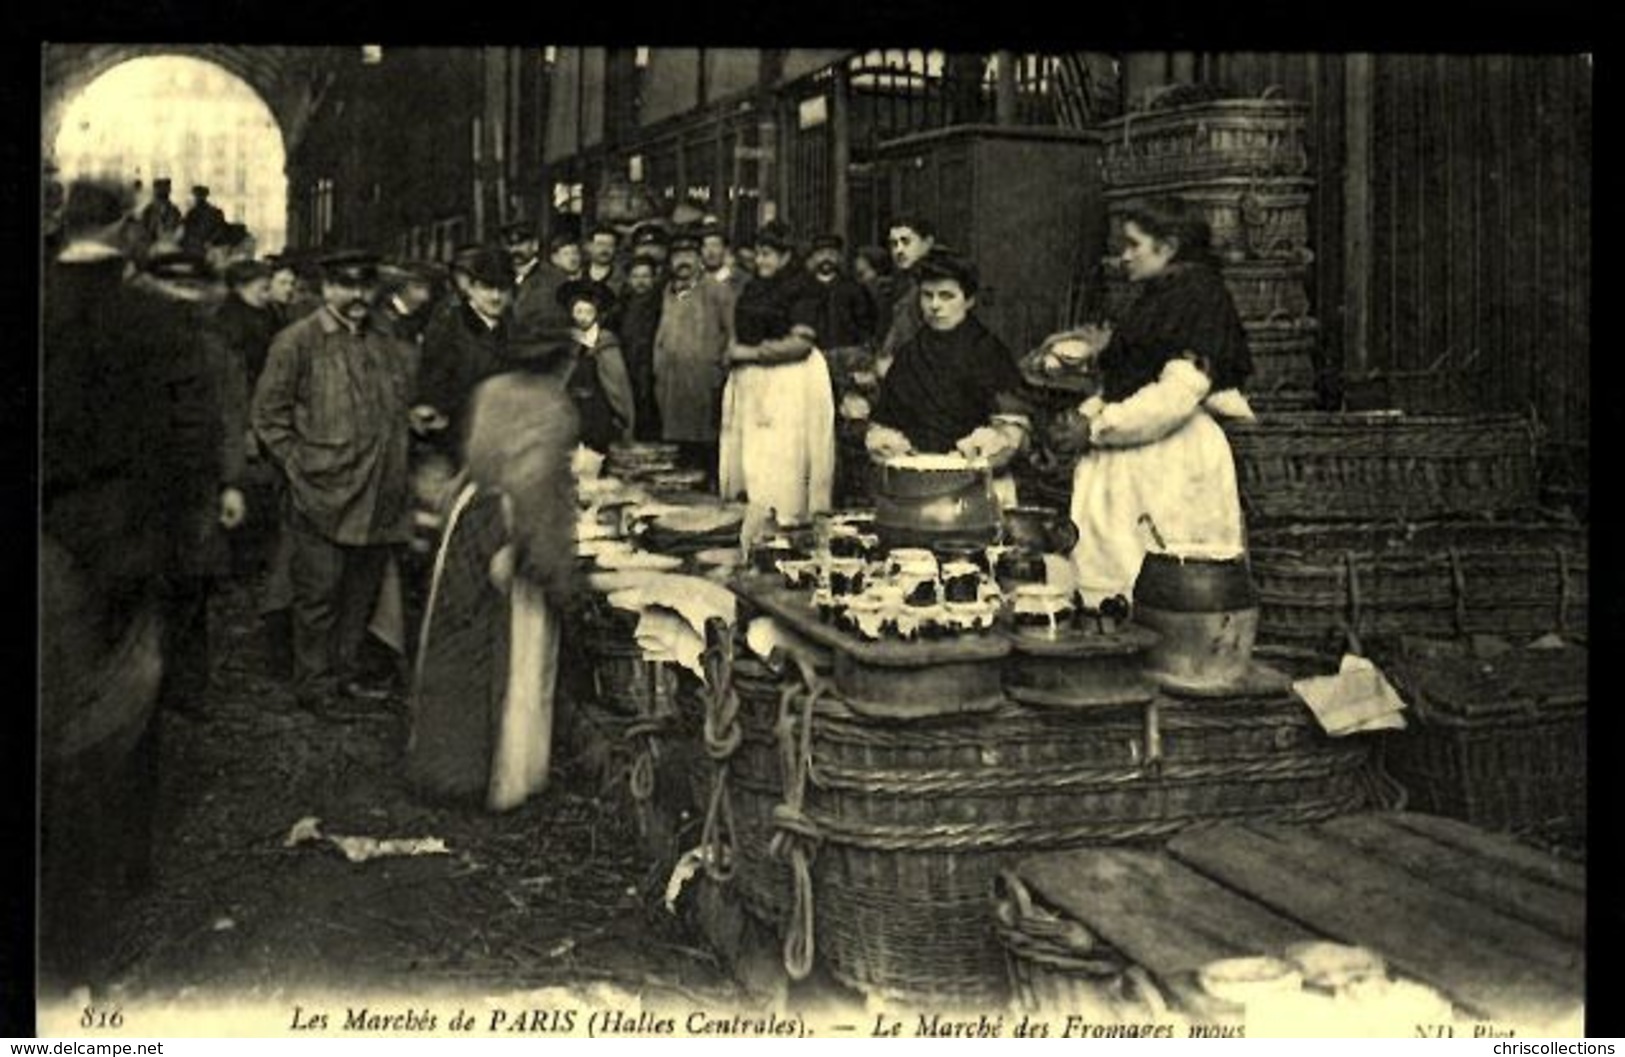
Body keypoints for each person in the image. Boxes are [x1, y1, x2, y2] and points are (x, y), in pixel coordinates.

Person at [40, 179, 222, 984]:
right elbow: (188, 446)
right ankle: (117, 877)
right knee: (118, 718)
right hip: (123, 549)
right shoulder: (157, 319)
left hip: (46, 546)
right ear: (125, 228)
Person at [1043, 197, 1255, 606]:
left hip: (1169, 457)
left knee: (1157, 583)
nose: (1123, 256)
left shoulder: (1198, 298)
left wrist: (1097, 427)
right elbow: (1128, 378)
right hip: (1132, 452)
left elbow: (1177, 395)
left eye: (1133, 245)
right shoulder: (1158, 295)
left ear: (1168, 247)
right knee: (1117, 572)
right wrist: (1086, 415)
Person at [405, 322, 580, 812]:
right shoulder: (552, 407)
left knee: (456, 637)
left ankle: (441, 765)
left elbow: (476, 461)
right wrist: (548, 565)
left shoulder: (490, 392)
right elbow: (537, 492)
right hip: (508, 529)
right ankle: (497, 776)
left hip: (468, 518)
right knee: (506, 647)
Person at [251, 250, 417, 716]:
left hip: (379, 490)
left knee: (359, 594)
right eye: (346, 285)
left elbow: (395, 404)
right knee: (318, 595)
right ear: (327, 289)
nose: (358, 295)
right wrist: (299, 466)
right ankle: (315, 684)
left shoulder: (384, 341)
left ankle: (343, 675)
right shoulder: (297, 341)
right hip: (322, 493)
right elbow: (268, 416)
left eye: (365, 285)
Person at [866, 253, 1033, 504]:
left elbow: (1011, 429)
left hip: (977, 487)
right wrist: (889, 446)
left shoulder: (989, 352)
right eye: (927, 295)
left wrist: (984, 451)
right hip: (915, 485)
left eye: (946, 296)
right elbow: (884, 422)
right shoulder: (909, 354)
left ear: (969, 300)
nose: (935, 305)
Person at [718, 221, 835, 531]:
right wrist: (735, 349)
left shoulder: (802, 287)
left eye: (768, 254)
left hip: (791, 381)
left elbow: (801, 343)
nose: (761, 261)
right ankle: (753, 524)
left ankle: (785, 522)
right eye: (757, 254)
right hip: (754, 379)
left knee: (784, 455)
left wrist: (749, 354)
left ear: (786, 256)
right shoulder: (755, 285)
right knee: (754, 456)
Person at [413, 246, 515, 462]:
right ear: (471, 289)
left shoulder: (511, 327)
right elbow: (434, 391)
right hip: (458, 444)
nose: (496, 297)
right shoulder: (448, 327)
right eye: (487, 287)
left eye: (503, 289)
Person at [652, 230, 735, 479]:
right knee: (678, 453)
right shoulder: (666, 291)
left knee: (706, 448)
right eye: (677, 256)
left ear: (699, 258)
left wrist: (723, 370)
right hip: (671, 383)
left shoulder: (717, 291)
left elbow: (733, 333)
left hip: (704, 382)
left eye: (689, 255)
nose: (683, 262)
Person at [554, 278, 636, 453]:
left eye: (588, 312)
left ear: (597, 314)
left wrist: (623, 415)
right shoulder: (565, 341)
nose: (583, 317)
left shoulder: (606, 342)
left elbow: (617, 385)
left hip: (598, 413)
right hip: (570, 410)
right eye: (578, 311)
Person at [611, 254, 664, 441]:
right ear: (628, 279)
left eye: (645, 276)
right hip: (629, 366)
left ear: (654, 278)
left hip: (655, 368)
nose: (640, 282)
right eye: (636, 276)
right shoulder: (621, 305)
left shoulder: (662, 304)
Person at [877, 216, 938, 367]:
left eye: (906, 242)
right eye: (894, 244)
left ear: (927, 243)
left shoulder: (936, 286)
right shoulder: (903, 285)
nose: (898, 250)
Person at [513, 228, 579, 334]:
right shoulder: (502, 275)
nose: (514, 249)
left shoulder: (554, 279)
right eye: (510, 245)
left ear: (535, 246)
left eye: (521, 244)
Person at [375, 260, 440, 345]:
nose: (426, 297)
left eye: (428, 289)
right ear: (402, 288)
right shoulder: (383, 315)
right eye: (418, 287)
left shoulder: (424, 315)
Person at [700, 222, 749, 300]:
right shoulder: (694, 279)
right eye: (705, 246)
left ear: (725, 250)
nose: (710, 251)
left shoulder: (742, 280)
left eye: (715, 245)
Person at [180, 184, 227, 257]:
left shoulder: (215, 213)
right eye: (197, 196)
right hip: (193, 248)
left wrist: (211, 241)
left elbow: (221, 230)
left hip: (209, 249)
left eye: (200, 196)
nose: (198, 198)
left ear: (205, 197)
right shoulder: (191, 213)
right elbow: (185, 230)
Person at [139, 176, 183, 248]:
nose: (163, 191)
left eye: (165, 190)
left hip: (171, 245)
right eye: (160, 190)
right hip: (152, 246)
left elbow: (179, 228)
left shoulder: (175, 211)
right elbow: (143, 230)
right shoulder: (148, 211)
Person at [583, 223, 625, 294]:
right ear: (589, 246)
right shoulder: (578, 273)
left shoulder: (623, 279)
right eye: (600, 244)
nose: (605, 249)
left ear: (615, 249)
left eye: (610, 245)